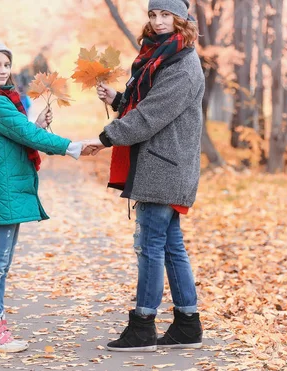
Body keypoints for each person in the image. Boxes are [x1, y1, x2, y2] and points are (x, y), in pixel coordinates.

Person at [83, 0, 205, 352]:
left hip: (165, 166)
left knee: (150, 245)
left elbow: (152, 115)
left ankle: (142, 328)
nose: (158, 21)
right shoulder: (161, 56)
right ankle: (187, 324)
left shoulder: (182, 65)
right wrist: (120, 99)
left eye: (166, 14)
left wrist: (106, 137)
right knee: (169, 245)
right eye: (153, 14)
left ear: (181, 19)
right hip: (163, 163)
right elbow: (147, 102)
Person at [0, 41, 86, 353]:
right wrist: (74, 147)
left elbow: (20, 133)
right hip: (2, 189)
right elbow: (28, 137)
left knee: (0, 261)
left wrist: (34, 124)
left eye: (5, 64)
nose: (2, 70)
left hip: (5, 188)